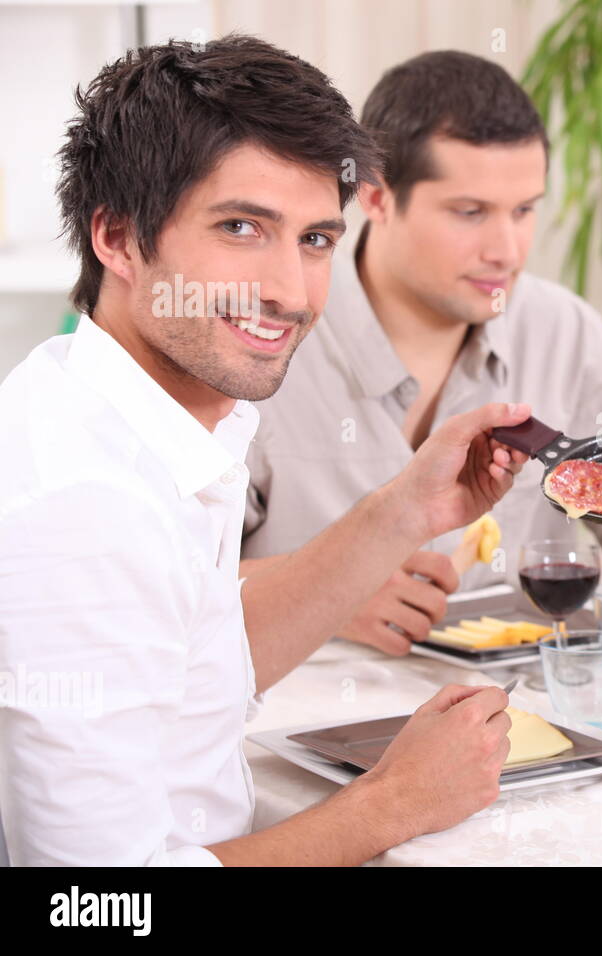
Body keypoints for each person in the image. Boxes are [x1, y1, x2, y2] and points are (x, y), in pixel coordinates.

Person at [0, 35, 533, 866]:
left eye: (316, 240)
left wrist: (407, 509)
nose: (289, 291)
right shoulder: (82, 504)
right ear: (117, 238)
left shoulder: (125, 406)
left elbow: (204, 667)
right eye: (242, 227)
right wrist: (391, 805)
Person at [238, 51, 602, 655]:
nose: (506, 250)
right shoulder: (260, 343)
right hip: (299, 720)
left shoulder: (569, 336)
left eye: (525, 210)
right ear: (374, 195)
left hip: (515, 715)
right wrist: (325, 591)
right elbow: (167, 582)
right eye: (470, 212)